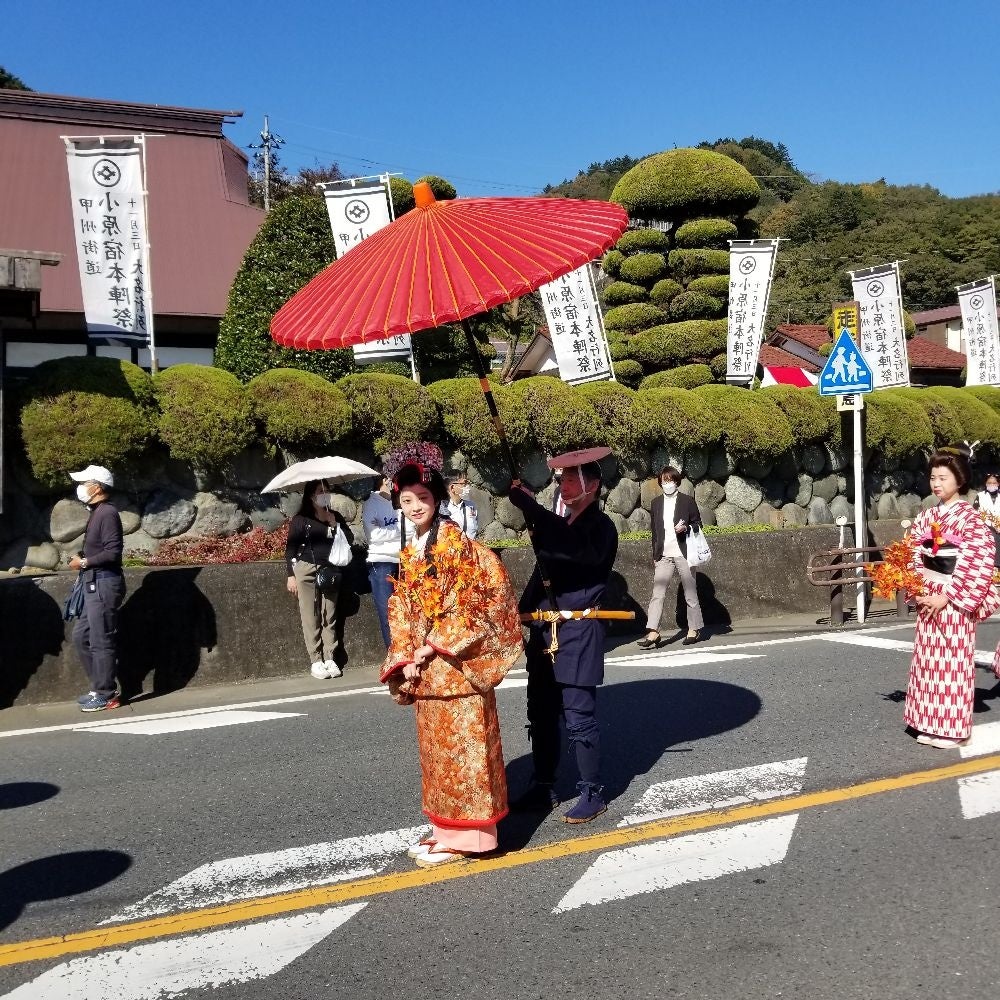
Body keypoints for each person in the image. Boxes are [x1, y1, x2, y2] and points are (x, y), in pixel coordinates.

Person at [380, 442, 523, 867]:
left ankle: (472, 838)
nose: (414, 507)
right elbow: (403, 606)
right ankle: (446, 828)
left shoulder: (458, 547)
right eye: (406, 501)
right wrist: (406, 652)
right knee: (439, 756)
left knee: (467, 753)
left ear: (437, 498)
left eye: (422, 499)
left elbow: (475, 604)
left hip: (458, 666)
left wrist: (432, 642)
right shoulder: (413, 551)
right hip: (428, 670)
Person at [508, 447, 618, 823]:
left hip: (578, 629)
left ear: (593, 484)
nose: (565, 486)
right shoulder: (562, 524)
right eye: (563, 480)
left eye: (573, 479)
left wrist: (533, 511)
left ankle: (593, 792)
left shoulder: (600, 527)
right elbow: (545, 573)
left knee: (579, 716)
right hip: (546, 629)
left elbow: (577, 555)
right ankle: (543, 786)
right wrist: (522, 611)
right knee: (539, 711)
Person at [904, 448, 999, 748]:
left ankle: (955, 730)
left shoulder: (971, 520)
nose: (936, 483)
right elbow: (913, 554)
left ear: (959, 480)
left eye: (943, 477)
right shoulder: (926, 517)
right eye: (933, 477)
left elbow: (978, 561)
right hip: (928, 595)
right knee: (928, 662)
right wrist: (917, 588)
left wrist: (947, 597)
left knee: (953, 663)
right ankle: (927, 722)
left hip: (954, 600)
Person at [68, 465, 125, 712]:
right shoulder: (98, 512)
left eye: (85, 482)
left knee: (101, 640)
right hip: (93, 582)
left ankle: (106, 693)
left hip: (103, 582)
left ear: (97, 487)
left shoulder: (107, 513)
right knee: (81, 637)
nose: (80, 487)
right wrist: (84, 558)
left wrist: (83, 562)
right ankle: (99, 686)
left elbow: (113, 552)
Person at [285, 481, 351, 679]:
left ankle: (330, 657)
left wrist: (335, 524)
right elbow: (290, 549)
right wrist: (290, 575)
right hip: (305, 569)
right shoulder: (300, 519)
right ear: (311, 496)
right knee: (310, 614)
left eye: (327, 490)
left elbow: (349, 539)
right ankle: (316, 659)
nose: (325, 494)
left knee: (329, 614)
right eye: (321, 491)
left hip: (330, 569)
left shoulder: (335, 516)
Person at [638, 466, 705, 648]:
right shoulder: (656, 503)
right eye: (664, 480)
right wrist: (655, 554)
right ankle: (653, 631)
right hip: (664, 554)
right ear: (660, 482)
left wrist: (686, 528)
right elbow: (655, 531)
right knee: (657, 593)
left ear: (677, 481)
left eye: (671, 480)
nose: (668, 483)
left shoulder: (687, 501)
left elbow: (698, 524)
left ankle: (694, 628)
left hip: (685, 552)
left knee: (690, 592)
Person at [362, 474, 401, 649]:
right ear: (385, 479)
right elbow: (373, 535)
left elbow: (410, 529)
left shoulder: (400, 502)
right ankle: (393, 655)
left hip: (403, 560)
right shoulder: (371, 504)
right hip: (381, 563)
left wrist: (389, 530)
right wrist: (398, 530)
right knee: (388, 614)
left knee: (406, 611)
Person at [442, 472, 478, 539]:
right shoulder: (442, 509)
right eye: (464, 483)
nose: (467, 486)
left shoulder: (471, 506)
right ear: (452, 488)